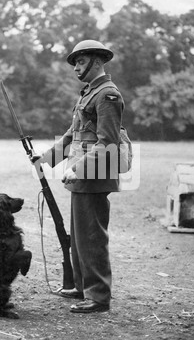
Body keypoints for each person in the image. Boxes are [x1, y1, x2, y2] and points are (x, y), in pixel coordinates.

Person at [33, 39, 125, 313]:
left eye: (81, 62)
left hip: (94, 176)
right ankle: (82, 286)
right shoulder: (87, 93)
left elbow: (107, 142)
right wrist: (47, 159)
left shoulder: (108, 95)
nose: (76, 68)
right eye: (75, 63)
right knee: (80, 236)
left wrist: (76, 167)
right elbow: (72, 135)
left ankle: (98, 297)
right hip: (82, 176)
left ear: (97, 61)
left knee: (92, 236)